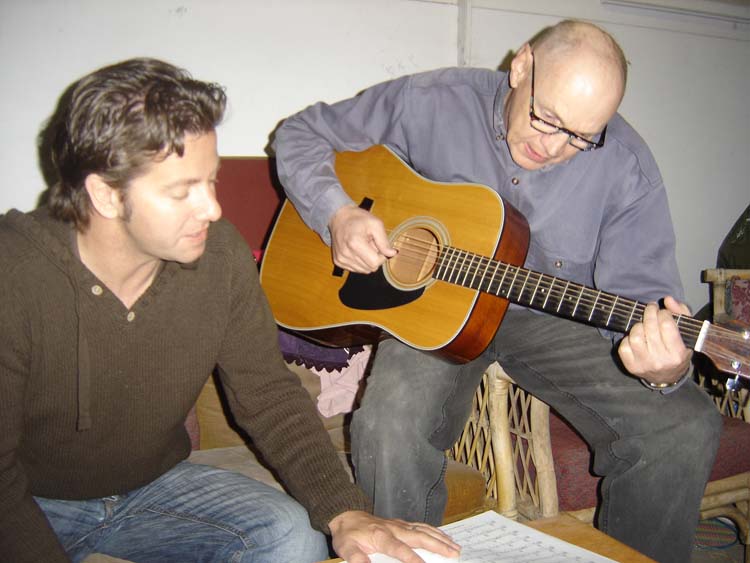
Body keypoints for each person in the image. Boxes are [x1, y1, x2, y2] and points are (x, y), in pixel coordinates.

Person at [272, 20, 723, 563]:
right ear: (522, 66)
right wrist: (337, 213)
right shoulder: (433, 100)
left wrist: (665, 368)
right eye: (546, 118)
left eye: (580, 137)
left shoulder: (627, 166)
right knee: (389, 424)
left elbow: (645, 300)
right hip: (437, 309)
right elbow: (298, 134)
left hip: (557, 317)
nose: (553, 146)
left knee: (684, 426)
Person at [0, 58, 461, 563]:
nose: (213, 209)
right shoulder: (14, 275)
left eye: (211, 181)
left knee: (290, 536)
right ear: (105, 195)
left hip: (152, 489)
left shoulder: (218, 255)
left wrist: (344, 512)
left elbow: (267, 393)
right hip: (33, 499)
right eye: (183, 191)